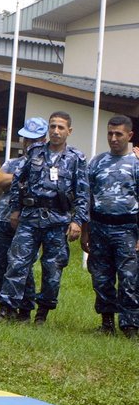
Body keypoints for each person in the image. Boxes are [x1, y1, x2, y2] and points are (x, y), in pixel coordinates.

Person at [0, 111, 89, 324]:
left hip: (58, 220)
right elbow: (18, 182)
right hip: (30, 217)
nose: (56, 131)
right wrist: (15, 210)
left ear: (69, 131)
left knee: (52, 268)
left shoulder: (76, 158)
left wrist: (77, 221)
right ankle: (7, 309)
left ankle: (42, 313)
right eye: (52, 127)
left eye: (60, 128)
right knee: (17, 262)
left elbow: (83, 193)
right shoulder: (35, 152)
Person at [81, 115, 139, 338]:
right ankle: (107, 323)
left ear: (129, 135)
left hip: (127, 229)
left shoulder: (135, 164)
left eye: (119, 134)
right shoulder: (96, 162)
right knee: (101, 278)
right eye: (110, 134)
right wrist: (86, 231)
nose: (113, 138)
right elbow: (86, 199)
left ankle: (130, 326)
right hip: (99, 228)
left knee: (129, 279)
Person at [0, 117, 47, 321]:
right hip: (4, 218)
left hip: (28, 222)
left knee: (21, 266)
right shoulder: (15, 162)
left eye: (33, 140)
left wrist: (12, 180)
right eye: (26, 139)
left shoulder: (46, 165)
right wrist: (19, 177)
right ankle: (5, 304)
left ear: (43, 139)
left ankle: (24, 308)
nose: (28, 143)